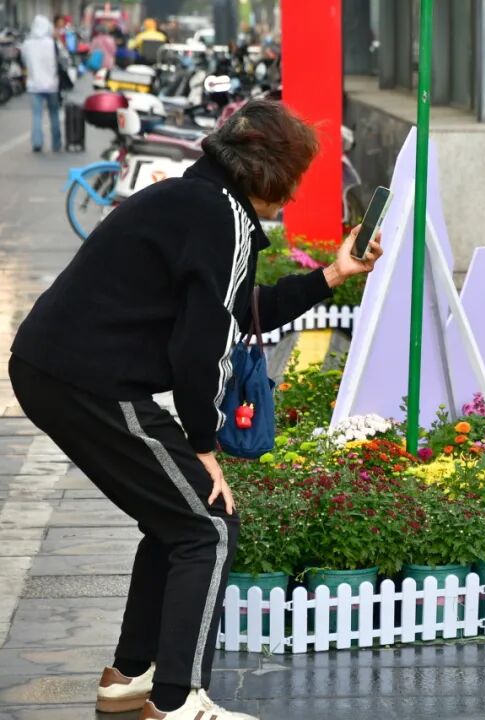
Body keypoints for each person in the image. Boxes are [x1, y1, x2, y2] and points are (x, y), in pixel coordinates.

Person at [9, 100, 383, 720]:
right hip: (88, 378)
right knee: (208, 525)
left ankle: (131, 675)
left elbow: (239, 310)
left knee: (174, 518)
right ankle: (176, 701)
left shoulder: (197, 201)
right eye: (293, 178)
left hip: (58, 369)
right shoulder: (220, 216)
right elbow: (201, 347)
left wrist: (334, 274)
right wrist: (204, 446)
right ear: (268, 174)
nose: (293, 195)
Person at [20, 15, 62, 153]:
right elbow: (60, 60)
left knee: (37, 115)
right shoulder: (52, 43)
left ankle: (37, 143)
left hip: (34, 85)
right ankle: (56, 143)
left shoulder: (27, 44)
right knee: (54, 114)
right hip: (52, 85)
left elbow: (24, 61)